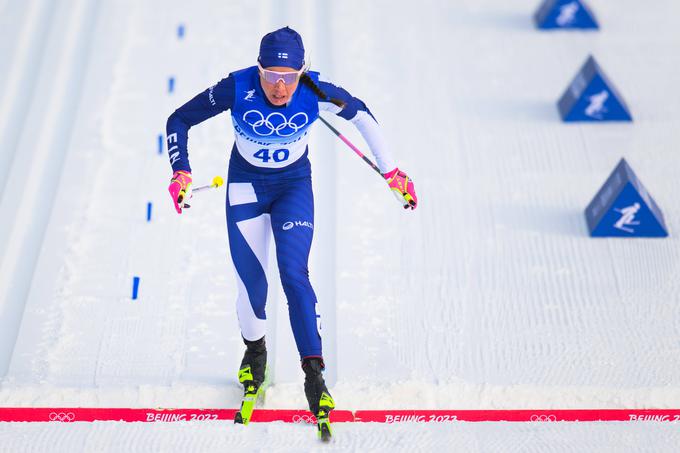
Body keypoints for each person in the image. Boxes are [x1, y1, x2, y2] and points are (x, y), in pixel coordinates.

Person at [165, 26, 417, 424]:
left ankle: (314, 374)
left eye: (288, 78)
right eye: (270, 77)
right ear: (258, 68)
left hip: (292, 187)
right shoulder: (237, 87)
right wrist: (181, 171)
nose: (279, 89)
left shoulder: (315, 91)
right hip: (246, 187)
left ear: (302, 72)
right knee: (252, 284)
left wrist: (392, 171)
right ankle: (255, 352)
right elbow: (178, 119)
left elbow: (362, 114)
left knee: (294, 274)